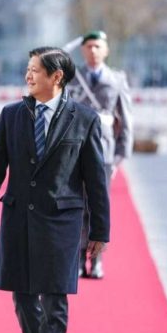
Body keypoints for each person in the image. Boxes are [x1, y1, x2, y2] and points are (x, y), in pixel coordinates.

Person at [0, 47, 109, 333]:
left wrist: (100, 232)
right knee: (22, 299)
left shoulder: (85, 119)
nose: (28, 75)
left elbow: (96, 182)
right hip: (18, 218)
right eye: (27, 69)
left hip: (61, 223)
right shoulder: (11, 115)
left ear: (56, 77)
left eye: (35, 70)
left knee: (55, 303)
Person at [67, 30, 132, 279]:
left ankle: (95, 260)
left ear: (106, 50)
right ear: (83, 51)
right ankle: (75, 258)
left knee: (97, 208)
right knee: (74, 205)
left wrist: (121, 154)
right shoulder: (73, 77)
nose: (93, 51)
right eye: (89, 47)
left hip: (103, 150)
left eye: (97, 46)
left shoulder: (116, 79)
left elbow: (125, 119)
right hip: (74, 149)